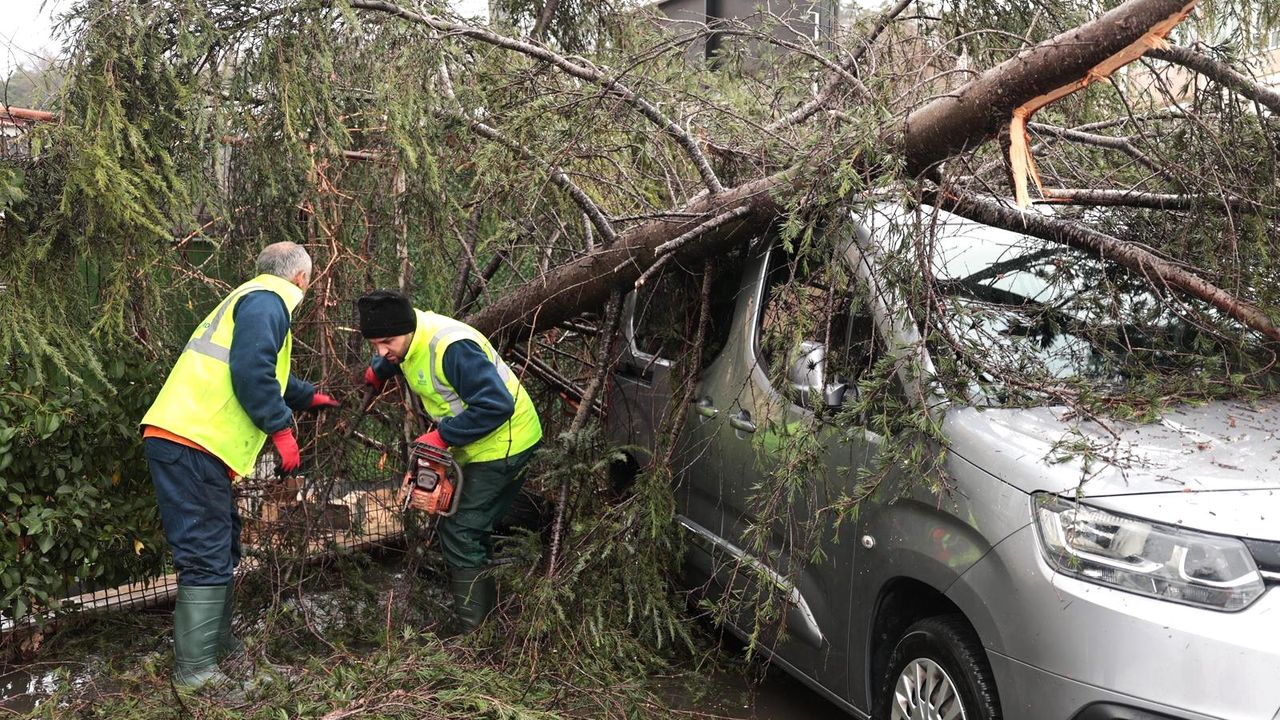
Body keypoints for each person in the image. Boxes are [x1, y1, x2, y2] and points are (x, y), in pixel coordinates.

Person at [140, 241, 339, 690]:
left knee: (222, 544)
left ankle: (218, 648)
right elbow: (251, 372)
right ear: (301, 279)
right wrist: (282, 430)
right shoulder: (270, 302)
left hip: (192, 442)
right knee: (205, 553)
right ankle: (195, 674)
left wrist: (309, 396)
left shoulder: (252, 298)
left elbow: (264, 372)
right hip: (191, 441)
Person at [357, 289, 542, 634]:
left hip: (507, 441)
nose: (381, 350)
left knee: (462, 530)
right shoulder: (407, 340)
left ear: (407, 329)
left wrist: (442, 436)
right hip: (474, 443)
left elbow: (497, 405)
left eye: (386, 343)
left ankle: (477, 635)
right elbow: (397, 351)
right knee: (457, 521)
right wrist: (380, 368)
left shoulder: (452, 348)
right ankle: (485, 595)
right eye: (374, 345)